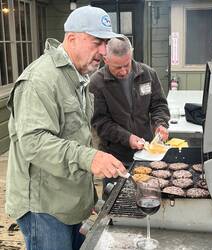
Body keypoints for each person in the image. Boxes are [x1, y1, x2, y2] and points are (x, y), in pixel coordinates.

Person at [5, 6, 126, 250]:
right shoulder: (39, 80)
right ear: (72, 38)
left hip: (69, 200)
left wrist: (86, 197)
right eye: (97, 42)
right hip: (45, 209)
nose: (104, 52)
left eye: (106, 43)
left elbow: (76, 135)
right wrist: (90, 157)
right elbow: (34, 143)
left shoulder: (78, 76)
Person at [90, 35, 170, 185]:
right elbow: (101, 123)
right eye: (117, 67)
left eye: (127, 64)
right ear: (105, 60)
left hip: (147, 156)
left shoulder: (147, 74)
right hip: (115, 158)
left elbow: (159, 105)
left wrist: (160, 124)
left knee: (147, 195)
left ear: (131, 55)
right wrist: (127, 138)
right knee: (114, 200)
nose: (124, 71)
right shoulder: (97, 83)